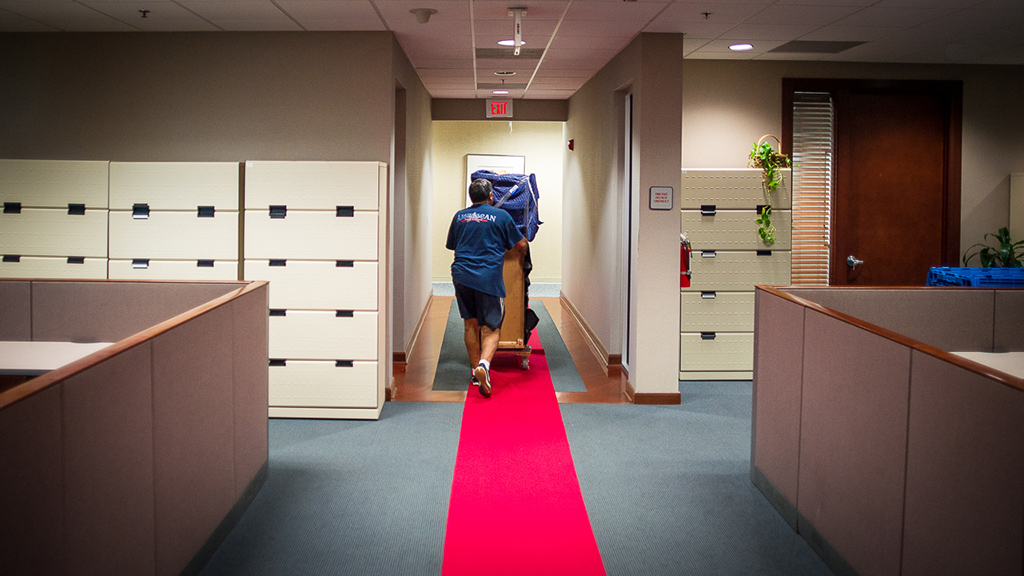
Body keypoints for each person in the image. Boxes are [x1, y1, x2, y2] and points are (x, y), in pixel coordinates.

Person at [446, 178, 528, 398]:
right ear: (491, 196)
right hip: (488, 278)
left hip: (461, 275)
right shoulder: (501, 216)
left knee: (470, 324)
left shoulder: (459, 216)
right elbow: (520, 245)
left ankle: (475, 373)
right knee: (491, 327)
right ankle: (484, 365)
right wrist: (525, 245)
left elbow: (453, 245)